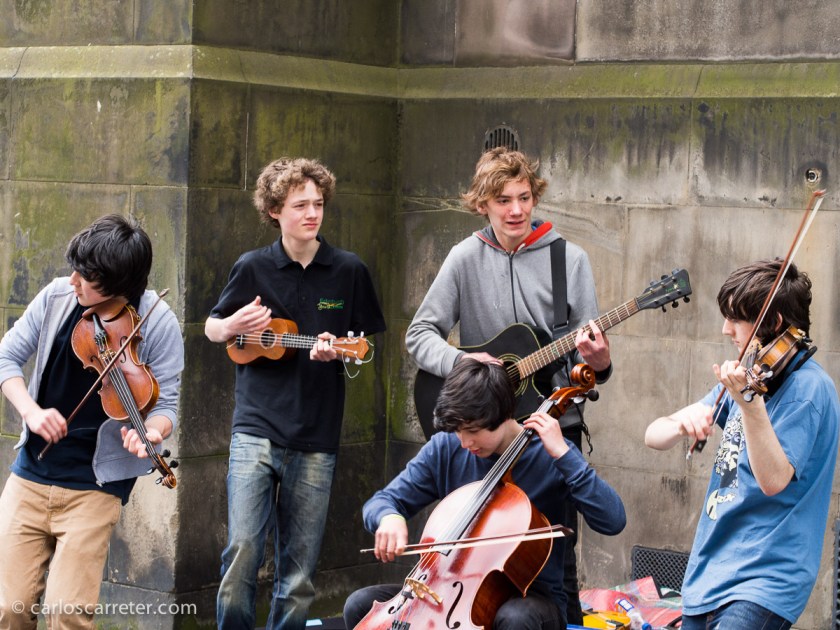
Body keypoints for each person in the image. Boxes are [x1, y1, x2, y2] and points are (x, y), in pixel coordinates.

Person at [404, 146, 612, 623]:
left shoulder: (569, 261)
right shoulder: (464, 258)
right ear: (483, 204)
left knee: (556, 555)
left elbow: (588, 362)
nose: (516, 210)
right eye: (503, 200)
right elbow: (419, 335)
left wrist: (600, 362)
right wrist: (462, 361)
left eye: (524, 198)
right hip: (486, 427)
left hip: (550, 424)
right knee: (476, 550)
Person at [206, 157, 386, 630]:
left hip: (317, 434)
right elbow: (212, 328)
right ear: (273, 210)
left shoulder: (348, 270)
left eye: (318, 203)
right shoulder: (251, 267)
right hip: (256, 428)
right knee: (242, 550)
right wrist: (232, 325)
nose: (312, 213)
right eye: (300, 204)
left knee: (299, 571)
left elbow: (364, 347)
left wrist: (342, 353)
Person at [343, 359, 626, 630]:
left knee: (515, 619)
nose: (464, 442)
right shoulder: (445, 448)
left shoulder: (550, 454)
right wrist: (389, 516)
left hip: (530, 600)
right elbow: (380, 502)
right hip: (447, 593)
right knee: (361, 605)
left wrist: (565, 456)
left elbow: (613, 520)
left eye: (473, 431)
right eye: (457, 431)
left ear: (503, 415)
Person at [0, 214, 184, 630]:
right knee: (11, 609)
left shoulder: (157, 322)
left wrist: (152, 432)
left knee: (68, 614)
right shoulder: (55, 299)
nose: (73, 281)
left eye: (87, 276)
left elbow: (166, 404)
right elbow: (5, 357)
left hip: (93, 488)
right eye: (76, 270)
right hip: (30, 476)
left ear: (121, 282)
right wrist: (31, 411)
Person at [644, 259, 839, 629]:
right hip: (709, 572)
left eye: (735, 319)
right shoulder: (747, 377)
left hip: (766, 578)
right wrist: (678, 425)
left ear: (773, 323)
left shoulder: (809, 390)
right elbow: (652, 435)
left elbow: (773, 480)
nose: (725, 329)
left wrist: (750, 404)